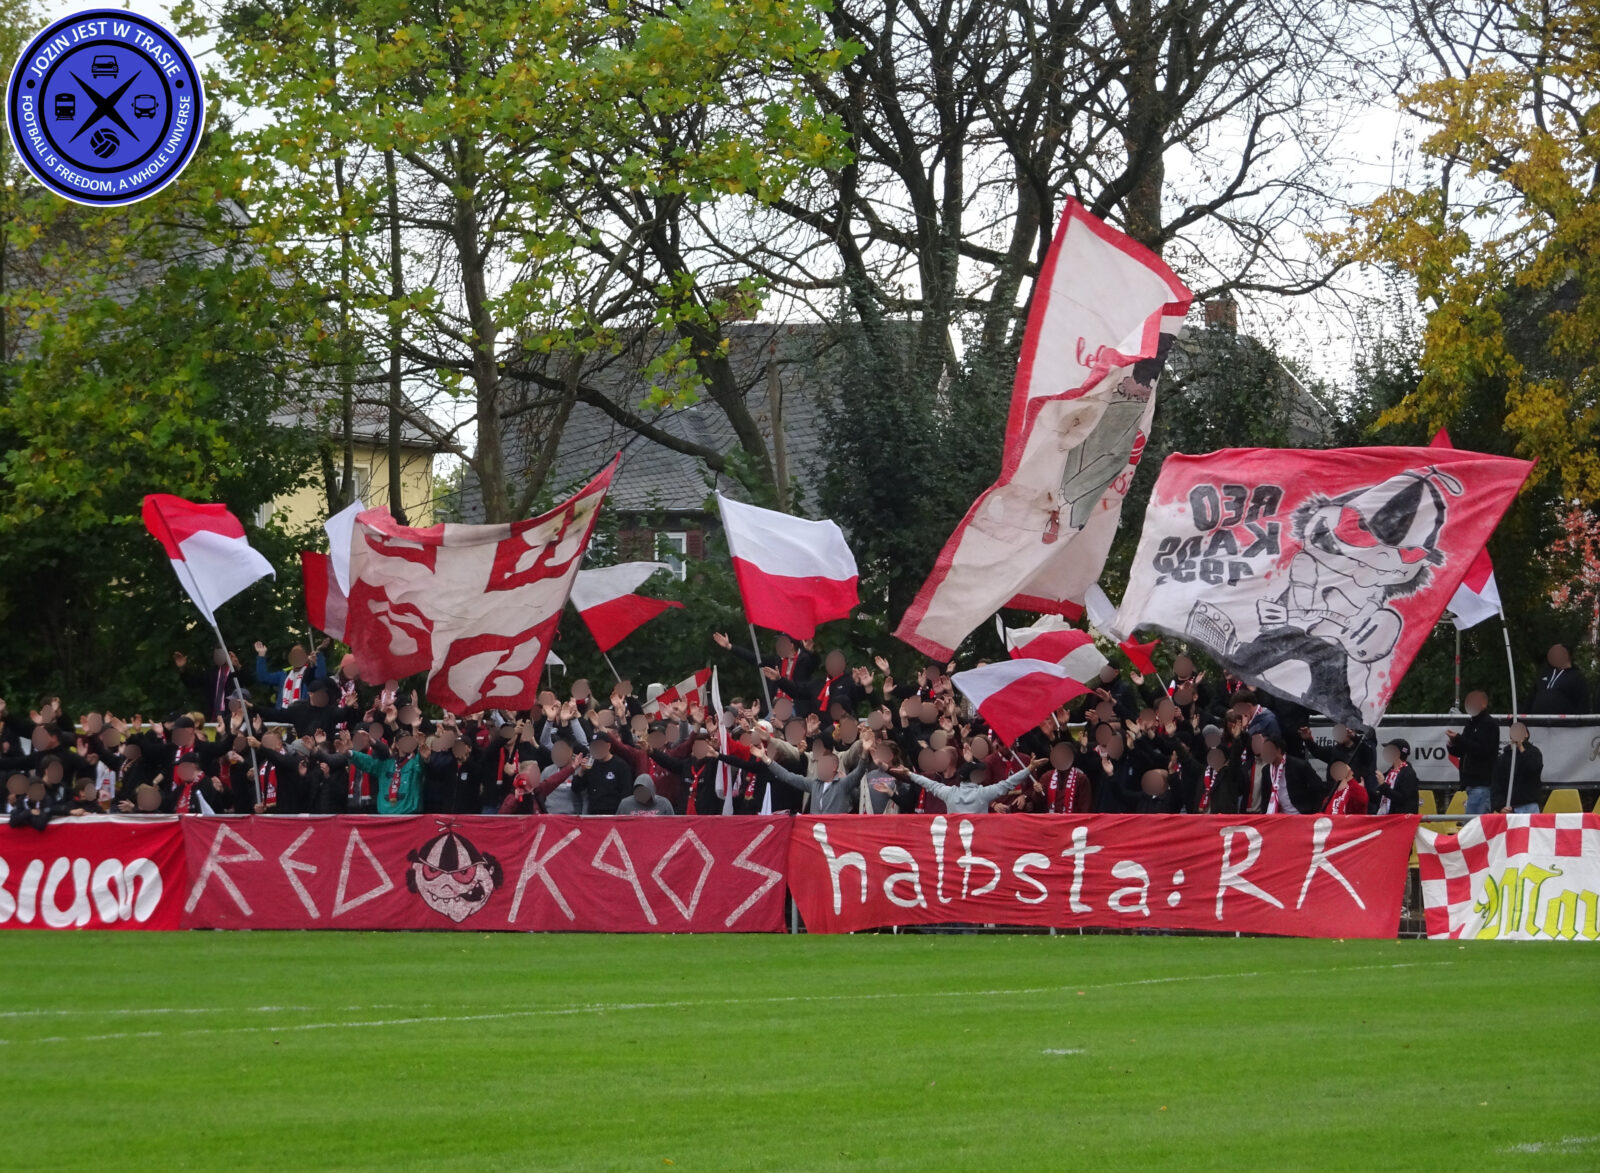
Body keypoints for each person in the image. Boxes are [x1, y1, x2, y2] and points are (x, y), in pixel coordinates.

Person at [749, 742, 868, 814]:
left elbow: (859, 771)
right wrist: (765, 758)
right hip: (815, 833)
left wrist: (864, 753)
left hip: (836, 834)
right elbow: (787, 776)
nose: (819, 768)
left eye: (823, 765)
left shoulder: (844, 784)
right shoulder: (813, 784)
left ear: (834, 767)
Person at [898, 757, 1043, 815]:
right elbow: (1007, 784)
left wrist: (910, 774)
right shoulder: (983, 793)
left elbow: (929, 784)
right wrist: (1029, 768)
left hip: (955, 841)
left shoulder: (949, 793)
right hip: (979, 842)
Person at [1446, 691, 1499, 815]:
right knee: (1471, 825)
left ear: (1483, 704)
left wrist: (1459, 738)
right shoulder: (1470, 723)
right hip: (1470, 783)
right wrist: (1452, 744)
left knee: (1475, 826)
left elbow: (1483, 750)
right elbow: (1463, 749)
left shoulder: (1489, 724)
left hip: (1482, 783)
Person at [1256, 734, 1328, 814]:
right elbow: (1265, 797)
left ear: (1278, 750)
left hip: (1302, 815)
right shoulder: (1266, 770)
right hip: (1280, 816)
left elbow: (1318, 788)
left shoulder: (1299, 765)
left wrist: (1314, 812)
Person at [253, 639, 328, 710]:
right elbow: (263, 677)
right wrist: (261, 655)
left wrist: (319, 655)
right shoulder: (284, 674)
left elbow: (321, 677)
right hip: (283, 717)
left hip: (301, 717)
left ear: (306, 656)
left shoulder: (310, 673)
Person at [571, 735, 633, 815]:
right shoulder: (590, 765)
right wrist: (581, 772)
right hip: (594, 813)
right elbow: (575, 788)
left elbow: (626, 793)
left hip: (614, 813)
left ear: (608, 746)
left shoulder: (620, 765)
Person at [1491, 722, 1544, 814]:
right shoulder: (1503, 758)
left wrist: (1521, 747)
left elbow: (1533, 769)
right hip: (1510, 809)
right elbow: (1496, 785)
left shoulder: (1534, 753)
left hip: (1530, 806)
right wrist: (1500, 806)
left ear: (1526, 734)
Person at [1374, 739, 1420, 816]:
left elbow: (1402, 798)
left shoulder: (1408, 773)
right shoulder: (1390, 772)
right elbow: (1381, 797)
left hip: (1400, 820)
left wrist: (1383, 786)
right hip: (1385, 816)